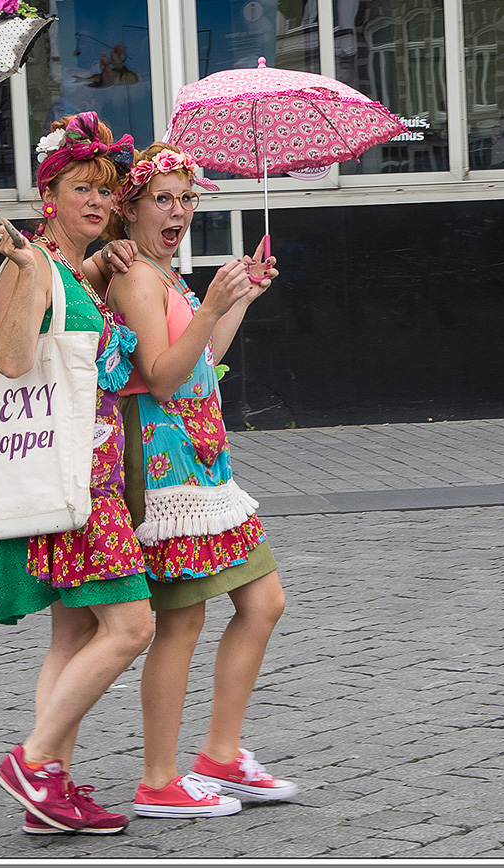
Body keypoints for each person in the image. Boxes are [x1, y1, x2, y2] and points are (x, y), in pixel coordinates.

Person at [107, 142, 295, 819]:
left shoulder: (166, 274)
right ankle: (159, 780)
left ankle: (220, 754)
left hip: (206, 462)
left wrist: (238, 294)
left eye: (187, 199)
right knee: (180, 624)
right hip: (168, 473)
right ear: (129, 207)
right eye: (164, 199)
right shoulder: (137, 278)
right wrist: (212, 307)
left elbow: (202, 361)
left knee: (263, 600)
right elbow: (159, 374)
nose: (179, 211)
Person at [0, 111, 152, 836]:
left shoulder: (68, 265)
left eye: (106, 191)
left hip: (93, 477)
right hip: (73, 483)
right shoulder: (30, 264)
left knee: (72, 639)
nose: (97, 202)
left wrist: (83, 272)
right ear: (47, 194)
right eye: (80, 188)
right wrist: (28, 271)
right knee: (132, 626)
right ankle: (35, 758)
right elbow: (12, 360)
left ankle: (45, 792)